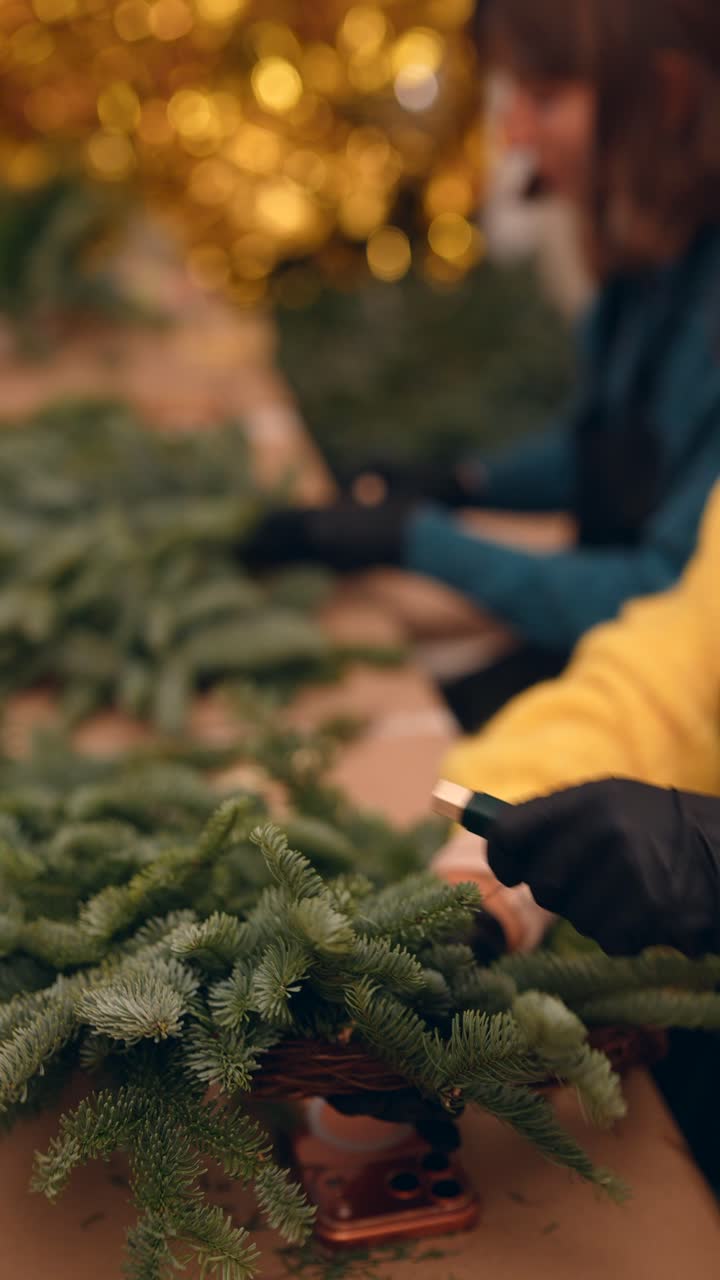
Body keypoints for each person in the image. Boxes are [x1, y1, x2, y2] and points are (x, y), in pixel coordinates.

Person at [248, 0, 720, 728]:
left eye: (545, 98)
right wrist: (463, 483)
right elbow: (612, 452)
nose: (514, 134)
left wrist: (418, 541)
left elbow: (665, 598)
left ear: (668, 93)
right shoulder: (660, 264)